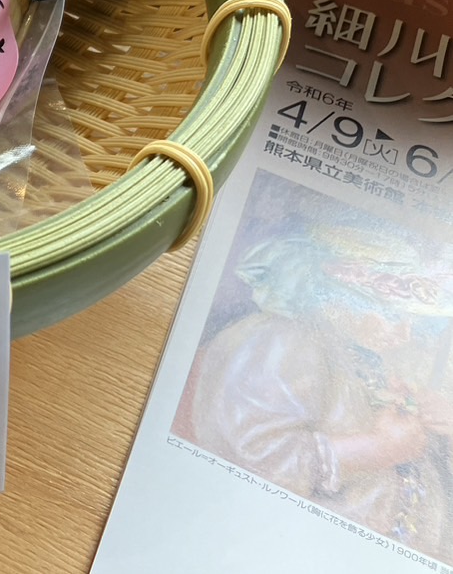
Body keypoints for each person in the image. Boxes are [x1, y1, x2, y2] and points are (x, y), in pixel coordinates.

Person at [185, 229, 453, 561]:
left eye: (411, 319)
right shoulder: (278, 341)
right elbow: (253, 463)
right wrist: (377, 449)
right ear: (338, 297)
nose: (405, 333)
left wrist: (438, 423)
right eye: (392, 315)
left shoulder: (358, 351)